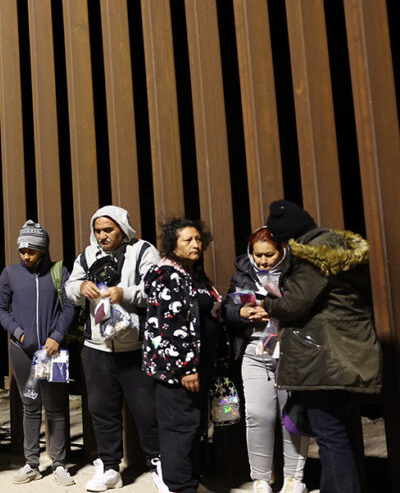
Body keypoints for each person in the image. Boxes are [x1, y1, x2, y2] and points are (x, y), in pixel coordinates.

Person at [261, 200, 381, 493]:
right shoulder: (334, 246)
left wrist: (265, 303)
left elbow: (293, 305)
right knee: (340, 434)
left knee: (330, 434)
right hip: (344, 351)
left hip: (323, 356)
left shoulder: (311, 256)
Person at [64, 205, 164, 491]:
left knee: (146, 409)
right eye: (98, 231)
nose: (102, 236)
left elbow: (156, 290)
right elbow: (70, 288)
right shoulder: (87, 254)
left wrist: (125, 293)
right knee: (101, 409)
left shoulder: (143, 251)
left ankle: (158, 463)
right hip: (97, 347)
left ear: (122, 228)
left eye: (108, 230)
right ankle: (109, 467)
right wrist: (81, 287)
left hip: (135, 345)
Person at [224, 227, 309, 493]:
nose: (262, 261)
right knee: (257, 414)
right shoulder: (243, 272)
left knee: (291, 415)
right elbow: (229, 308)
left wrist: (276, 311)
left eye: (269, 254)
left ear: (282, 250)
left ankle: (294, 479)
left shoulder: (297, 271)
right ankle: (261, 480)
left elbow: (306, 307)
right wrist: (242, 311)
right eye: (257, 255)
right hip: (254, 350)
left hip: (290, 351)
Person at [143, 218, 222, 493]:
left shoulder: (194, 274)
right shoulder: (168, 275)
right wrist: (185, 367)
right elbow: (170, 324)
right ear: (172, 244)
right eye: (188, 239)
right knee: (179, 427)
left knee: (194, 425)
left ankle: (189, 480)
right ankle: (179, 485)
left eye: (198, 239)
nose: (195, 244)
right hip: (178, 372)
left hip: (200, 368)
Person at [0, 221, 76, 485]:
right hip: (22, 351)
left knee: (56, 408)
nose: (25, 256)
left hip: (54, 351)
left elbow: (70, 307)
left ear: (43, 250)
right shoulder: (10, 273)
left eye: (32, 251)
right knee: (30, 406)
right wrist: (18, 333)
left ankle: (60, 463)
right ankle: (31, 463)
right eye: (22, 251)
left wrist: (56, 338)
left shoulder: (59, 271)